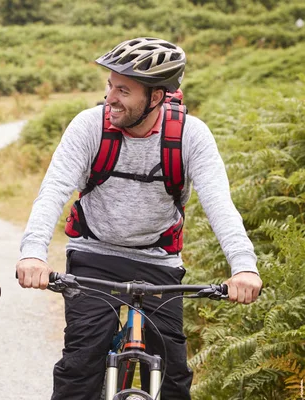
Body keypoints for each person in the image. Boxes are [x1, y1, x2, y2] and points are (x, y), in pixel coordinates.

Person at [16, 37, 262, 400]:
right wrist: (33, 252)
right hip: (93, 258)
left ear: (157, 97)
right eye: (110, 86)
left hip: (158, 262)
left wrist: (244, 266)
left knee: (173, 380)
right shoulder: (90, 127)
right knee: (79, 368)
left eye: (124, 90)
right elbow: (53, 190)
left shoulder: (190, 136)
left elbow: (220, 205)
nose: (110, 98)